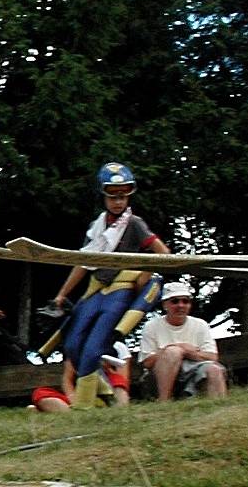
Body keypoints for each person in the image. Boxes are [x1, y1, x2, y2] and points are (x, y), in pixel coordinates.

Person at [45, 162, 169, 408]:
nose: (118, 201)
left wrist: (143, 275)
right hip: (96, 289)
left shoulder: (134, 223)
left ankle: (83, 407)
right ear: (103, 195)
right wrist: (61, 295)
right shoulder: (97, 227)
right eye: (113, 195)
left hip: (119, 290)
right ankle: (106, 393)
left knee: (93, 349)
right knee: (72, 345)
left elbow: (163, 253)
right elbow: (83, 262)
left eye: (123, 195)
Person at [138, 281, 227, 401]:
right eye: (175, 301)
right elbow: (147, 362)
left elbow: (212, 357)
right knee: (173, 352)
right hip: (157, 379)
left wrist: (189, 353)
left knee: (214, 369)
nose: (181, 305)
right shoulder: (151, 326)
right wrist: (177, 349)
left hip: (193, 373)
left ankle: (218, 408)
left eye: (185, 301)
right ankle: (164, 402)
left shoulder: (200, 325)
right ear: (165, 305)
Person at [31, 348, 131, 413]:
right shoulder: (74, 349)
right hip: (77, 397)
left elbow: (119, 384)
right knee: (40, 393)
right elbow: (67, 380)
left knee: (118, 384)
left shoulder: (108, 345)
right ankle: (71, 413)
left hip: (102, 397)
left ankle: (118, 409)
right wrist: (74, 400)